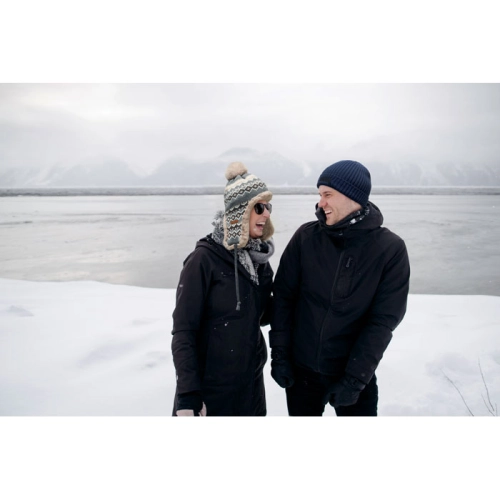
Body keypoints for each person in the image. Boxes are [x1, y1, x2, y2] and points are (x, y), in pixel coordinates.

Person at [269, 160, 410, 416]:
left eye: (327, 194)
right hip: (301, 374)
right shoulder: (306, 237)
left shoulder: (389, 249)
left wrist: (354, 380)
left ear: (351, 196)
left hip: (352, 377)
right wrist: (280, 356)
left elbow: (382, 321)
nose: (320, 203)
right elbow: (283, 299)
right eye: (320, 195)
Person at [171, 161, 275, 416]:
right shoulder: (203, 260)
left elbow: (261, 315)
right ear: (240, 211)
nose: (266, 214)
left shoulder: (259, 261)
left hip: (250, 388)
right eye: (259, 207)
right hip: (211, 392)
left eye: (268, 207)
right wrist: (188, 395)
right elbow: (184, 331)